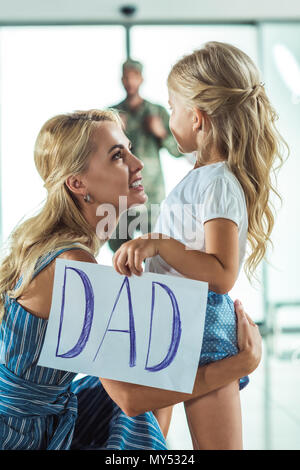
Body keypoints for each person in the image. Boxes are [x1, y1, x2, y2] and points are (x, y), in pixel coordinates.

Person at [0, 109, 261, 451]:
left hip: (43, 416)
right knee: (150, 378)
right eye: (118, 156)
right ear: (78, 184)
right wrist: (240, 364)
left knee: (157, 350)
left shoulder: (62, 247)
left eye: (130, 149)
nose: (138, 164)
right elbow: (130, 398)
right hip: (20, 437)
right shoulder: (74, 262)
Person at [112, 42, 287, 449]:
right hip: (176, 321)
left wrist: (159, 244)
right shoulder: (203, 177)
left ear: (198, 118)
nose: (167, 116)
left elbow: (222, 274)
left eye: (171, 107)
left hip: (202, 329)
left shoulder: (219, 182)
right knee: (149, 443)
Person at [108, 59, 183, 253]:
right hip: (122, 194)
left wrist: (161, 133)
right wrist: (113, 132)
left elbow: (178, 151)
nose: (130, 82)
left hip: (152, 195)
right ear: (121, 80)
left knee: (153, 252)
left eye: (134, 76)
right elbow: (99, 154)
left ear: (141, 79)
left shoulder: (156, 111)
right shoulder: (112, 115)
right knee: (120, 249)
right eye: (126, 77)